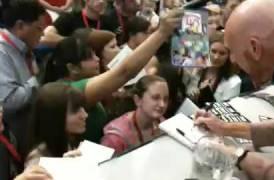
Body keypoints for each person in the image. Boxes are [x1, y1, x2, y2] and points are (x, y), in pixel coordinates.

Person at [195, 0, 274, 179]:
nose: (233, 61)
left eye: (232, 52)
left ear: (255, 48)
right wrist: (225, 128)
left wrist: (237, 155)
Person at [43, 9, 183, 143]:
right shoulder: (71, 91)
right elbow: (125, 72)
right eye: (90, 56)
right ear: (72, 68)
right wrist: (161, 33)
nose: (96, 59)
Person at [0, 0, 46, 155]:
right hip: (11, 141)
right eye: (39, 29)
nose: (43, 34)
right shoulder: (1, 52)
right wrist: (34, 79)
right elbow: (9, 101)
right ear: (20, 26)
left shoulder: (25, 47)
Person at [101, 75, 169, 155]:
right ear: (138, 100)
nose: (162, 104)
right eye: (155, 98)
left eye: (165, 99)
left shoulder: (162, 122)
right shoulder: (115, 138)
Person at [25, 82, 87, 167]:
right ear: (55, 117)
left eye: (82, 107)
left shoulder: (69, 140)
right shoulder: (37, 162)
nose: (85, 115)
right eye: (75, 111)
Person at [42, 0, 115, 46]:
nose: (101, 1)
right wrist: (76, 42)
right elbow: (46, 37)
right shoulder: (70, 18)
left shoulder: (109, 20)